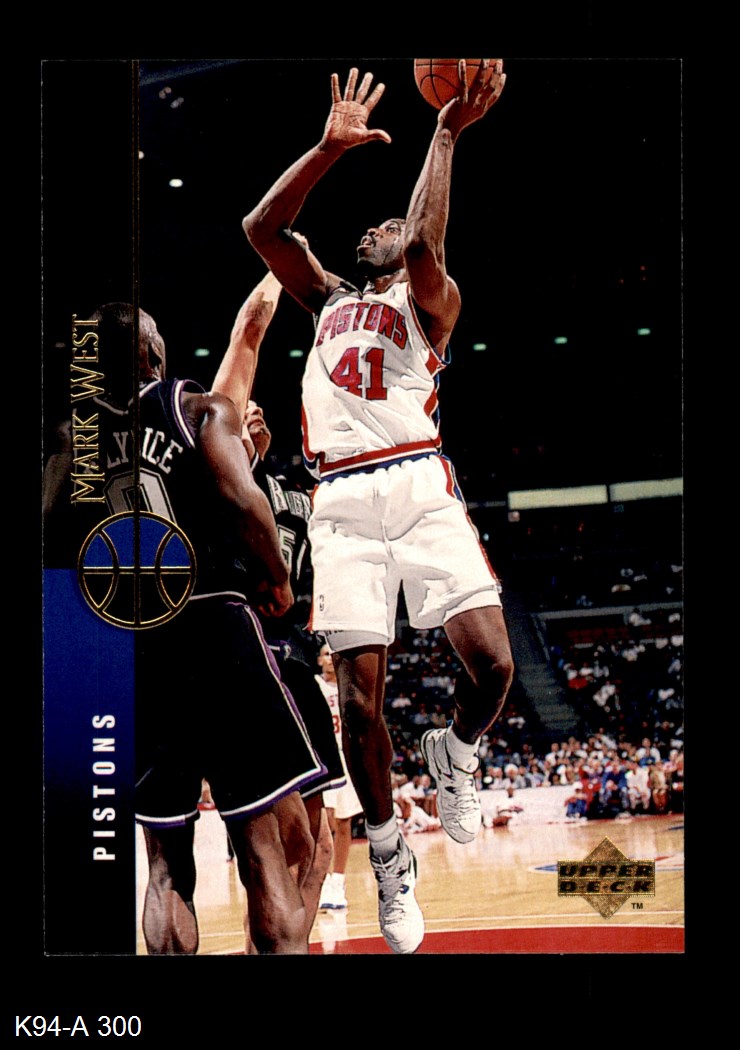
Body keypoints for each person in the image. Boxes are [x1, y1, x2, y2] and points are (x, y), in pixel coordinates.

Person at [243, 61, 514, 953]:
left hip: (419, 483)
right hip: (343, 502)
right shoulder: (327, 298)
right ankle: (391, 855)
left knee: (494, 667)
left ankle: (457, 751)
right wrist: (327, 150)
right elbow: (262, 228)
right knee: (359, 708)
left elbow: (427, 247)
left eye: (391, 223)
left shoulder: (432, 304)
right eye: (375, 225)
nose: (379, 227)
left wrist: (445, 132)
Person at [45, 301, 323, 954]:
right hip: (213, 619)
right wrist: (276, 578)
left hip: (128, 643)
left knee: (164, 863)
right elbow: (243, 499)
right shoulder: (195, 407)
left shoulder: (73, 440)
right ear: (152, 351)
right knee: (262, 843)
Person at [211, 264, 346, 943]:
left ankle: (290, 942)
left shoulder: (303, 496)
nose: (255, 414)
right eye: (246, 413)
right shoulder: (221, 483)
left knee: (318, 844)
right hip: (253, 654)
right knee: (276, 843)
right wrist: (243, 453)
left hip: (296, 659)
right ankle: (262, 943)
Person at [314, 642, 364, 911]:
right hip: (323, 756)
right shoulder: (314, 685)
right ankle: (320, 879)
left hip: (346, 756)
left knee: (344, 822)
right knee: (326, 821)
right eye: (325, 654)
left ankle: (338, 881)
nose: (330, 659)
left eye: (333, 654)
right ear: (319, 660)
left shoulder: (350, 685)